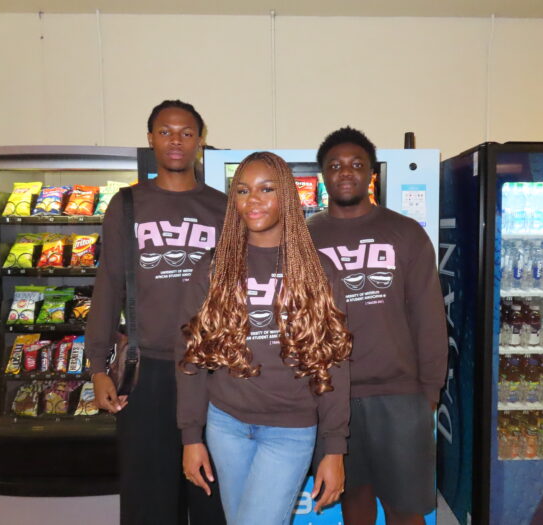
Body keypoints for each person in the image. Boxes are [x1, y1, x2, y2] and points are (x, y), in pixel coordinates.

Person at [176, 151, 352, 525]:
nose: (252, 200)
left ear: (286, 196)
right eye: (242, 191)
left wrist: (334, 449)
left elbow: (334, 363)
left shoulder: (319, 271)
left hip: (290, 430)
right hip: (225, 424)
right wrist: (191, 437)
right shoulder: (212, 268)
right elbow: (191, 358)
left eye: (265, 189)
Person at [86, 100, 227, 525]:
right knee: (149, 500)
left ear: (200, 141)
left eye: (186, 132)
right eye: (165, 131)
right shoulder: (127, 205)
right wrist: (97, 367)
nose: (176, 140)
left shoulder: (224, 208)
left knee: (210, 495)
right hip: (145, 372)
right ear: (150, 139)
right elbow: (108, 285)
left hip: (211, 372)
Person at [307, 127, 448, 525]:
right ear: (324, 175)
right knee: (354, 501)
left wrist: (430, 390)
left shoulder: (405, 233)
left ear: (372, 173)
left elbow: (428, 315)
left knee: (406, 509)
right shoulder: (303, 238)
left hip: (400, 394)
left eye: (356, 164)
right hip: (332, 395)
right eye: (335, 165)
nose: (345, 172)